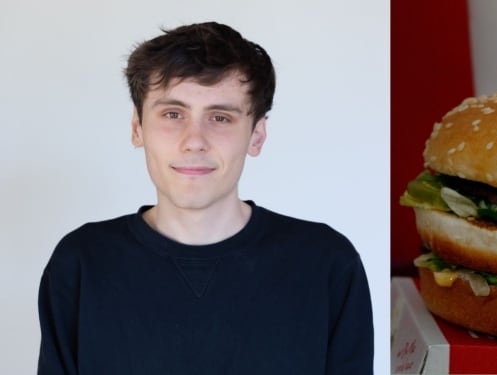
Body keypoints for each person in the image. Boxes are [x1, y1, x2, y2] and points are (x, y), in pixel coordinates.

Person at [37, 22, 374, 374]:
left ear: (256, 135)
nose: (194, 140)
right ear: (138, 128)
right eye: (172, 114)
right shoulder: (82, 262)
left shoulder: (326, 263)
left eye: (220, 117)